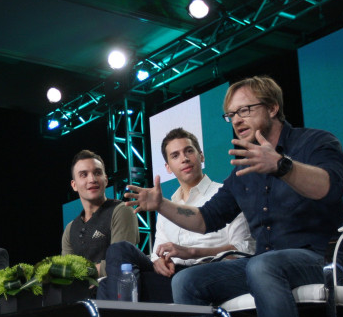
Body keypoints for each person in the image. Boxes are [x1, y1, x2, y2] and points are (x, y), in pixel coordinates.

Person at [126, 76, 343, 317]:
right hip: (266, 263)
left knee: (263, 265)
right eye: (231, 115)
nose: (237, 120)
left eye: (245, 110)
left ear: (273, 108)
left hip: (317, 257)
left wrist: (281, 165)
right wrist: (162, 206)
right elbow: (205, 218)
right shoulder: (242, 169)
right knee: (187, 283)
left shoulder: (315, 142)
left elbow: (330, 187)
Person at [19, 149, 139, 317]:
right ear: (74, 185)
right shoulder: (71, 229)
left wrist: (87, 272)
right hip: (80, 297)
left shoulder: (121, 211)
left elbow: (122, 262)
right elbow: (65, 273)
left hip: (117, 292)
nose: (91, 179)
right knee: (33, 308)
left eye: (97, 172)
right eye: (83, 175)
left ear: (106, 178)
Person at [97, 127, 254, 304]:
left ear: (201, 156)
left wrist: (192, 253)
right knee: (120, 250)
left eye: (189, 151)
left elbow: (243, 249)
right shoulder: (167, 207)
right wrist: (159, 262)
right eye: (175, 155)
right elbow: (157, 253)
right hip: (172, 276)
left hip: (209, 274)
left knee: (107, 288)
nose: (184, 159)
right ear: (168, 167)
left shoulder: (224, 195)